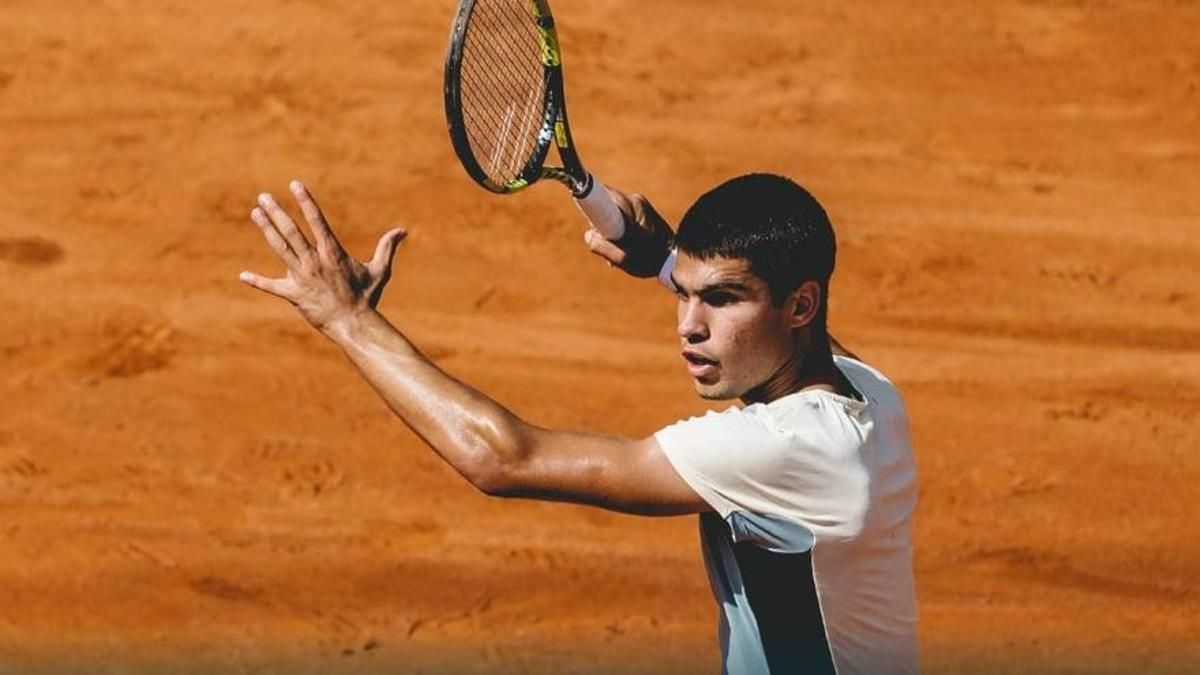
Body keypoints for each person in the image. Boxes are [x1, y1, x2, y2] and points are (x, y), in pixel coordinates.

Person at [239, 173, 919, 674]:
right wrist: (661, 260)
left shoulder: (784, 452)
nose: (688, 327)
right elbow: (816, 342)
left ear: (800, 305)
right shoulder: (868, 395)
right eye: (684, 295)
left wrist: (347, 318)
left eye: (720, 299)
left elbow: (504, 458)